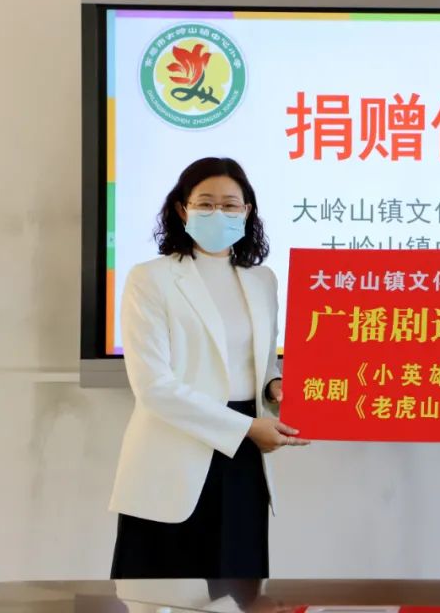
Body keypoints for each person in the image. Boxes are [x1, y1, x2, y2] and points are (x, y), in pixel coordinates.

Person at [109, 157, 308, 579]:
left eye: (230, 205)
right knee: (160, 595)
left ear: (247, 211)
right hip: (174, 454)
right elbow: (154, 386)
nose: (218, 213)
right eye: (205, 203)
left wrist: (274, 387)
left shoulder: (263, 280)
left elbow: (261, 363)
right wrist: (246, 428)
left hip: (245, 459)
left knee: (240, 591)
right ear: (183, 210)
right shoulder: (150, 278)